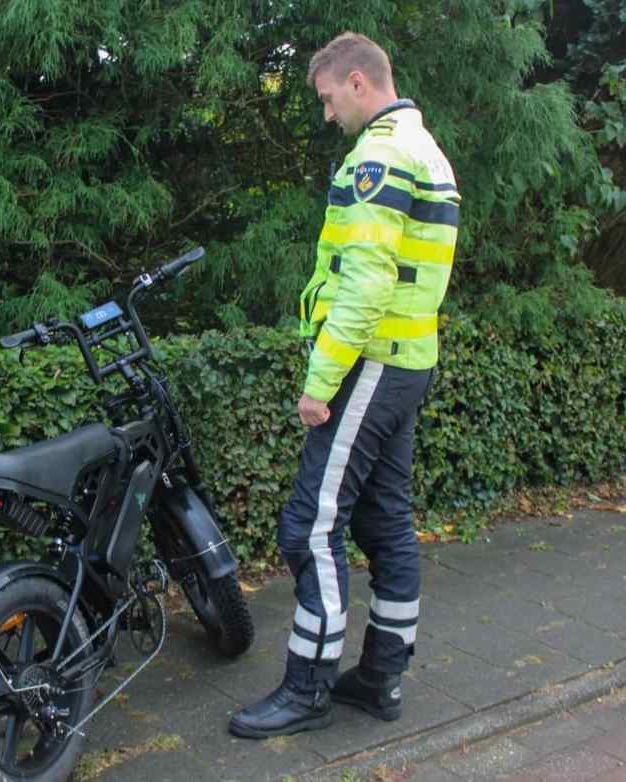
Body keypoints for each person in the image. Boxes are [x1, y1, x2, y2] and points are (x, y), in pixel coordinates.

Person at [229, 32, 460, 739]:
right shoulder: (426, 148)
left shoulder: (381, 155)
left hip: (371, 363)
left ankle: (308, 689)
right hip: (407, 361)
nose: (328, 115)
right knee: (384, 522)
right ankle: (381, 679)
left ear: (357, 82)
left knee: (309, 528)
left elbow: (364, 285)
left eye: (328, 100)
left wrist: (320, 381)